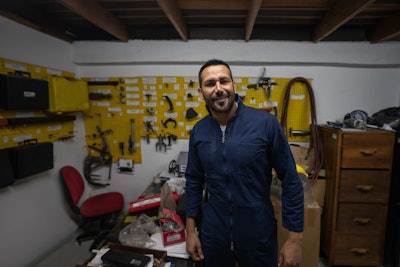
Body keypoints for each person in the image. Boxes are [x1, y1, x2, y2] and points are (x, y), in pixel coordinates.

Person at [185, 59, 304, 267]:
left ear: (234, 86)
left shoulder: (265, 125)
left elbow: (291, 180)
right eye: (210, 83)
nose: (219, 89)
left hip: (258, 232)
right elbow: (194, 180)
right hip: (214, 234)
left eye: (224, 81)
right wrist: (190, 231)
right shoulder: (199, 131)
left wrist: (295, 240)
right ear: (201, 92)